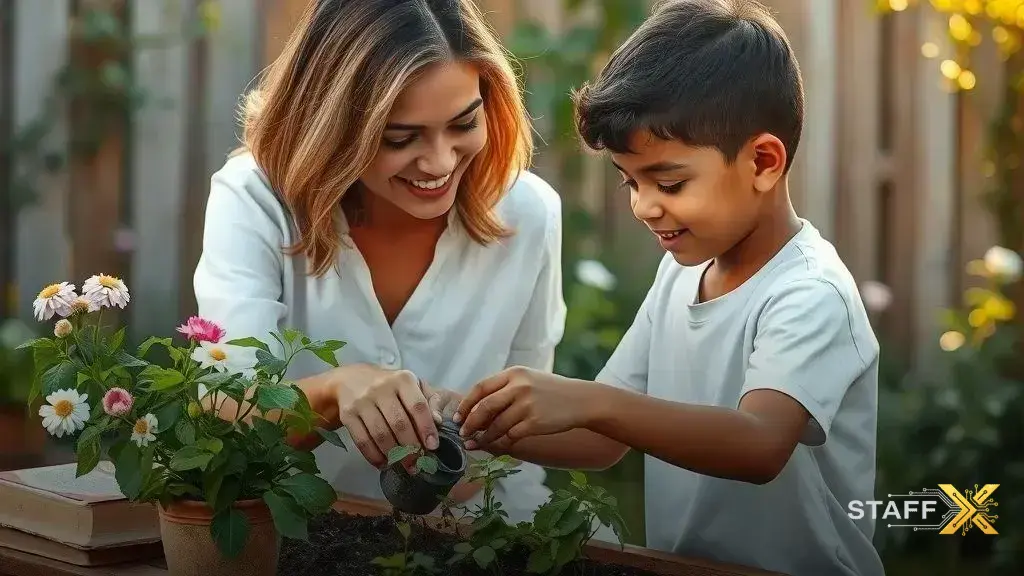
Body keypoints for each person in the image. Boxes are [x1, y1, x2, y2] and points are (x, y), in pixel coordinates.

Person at [453, 1, 885, 574]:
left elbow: (758, 445)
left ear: (762, 161)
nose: (643, 206)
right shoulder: (681, 273)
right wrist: (465, 421)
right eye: (630, 181)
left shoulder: (809, 292)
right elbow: (601, 439)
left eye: (670, 181)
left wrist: (592, 400)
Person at [191, 0, 565, 525]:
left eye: (464, 123)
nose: (438, 162)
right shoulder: (256, 200)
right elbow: (227, 416)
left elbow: (522, 428)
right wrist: (334, 390)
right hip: (302, 535)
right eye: (399, 137)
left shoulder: (530, 212)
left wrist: (477, 444)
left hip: (483, 531)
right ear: (333, 127)